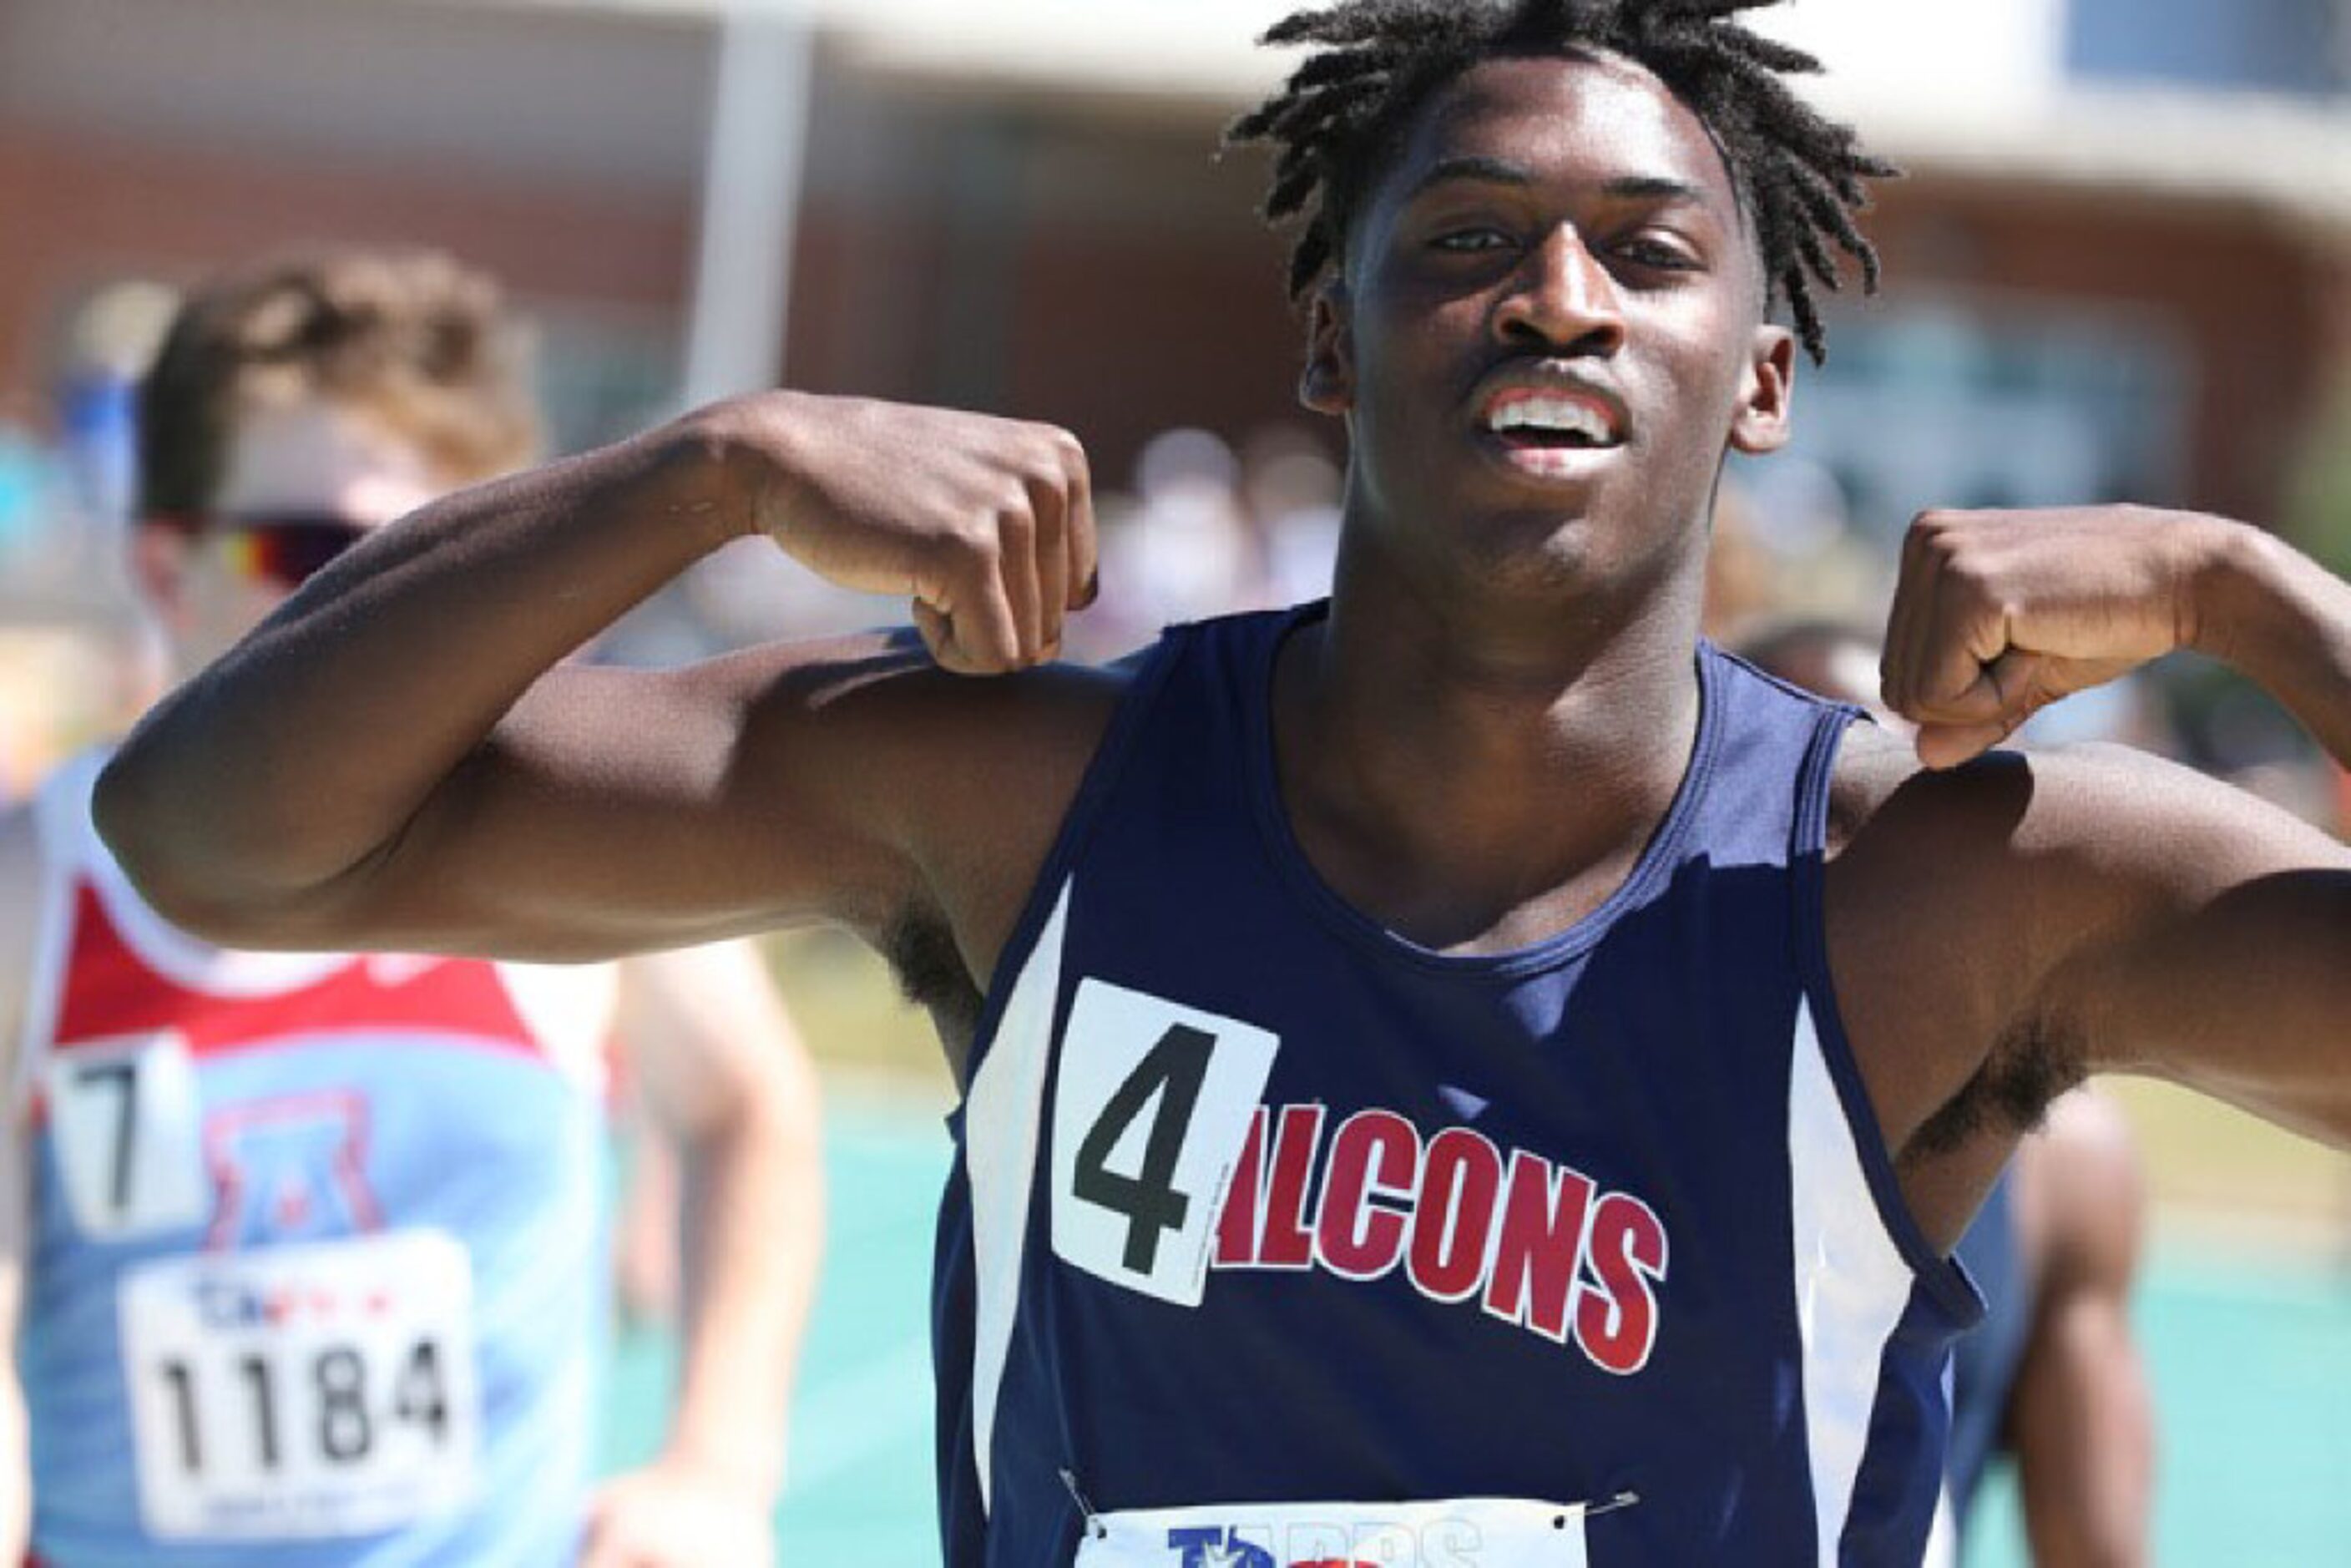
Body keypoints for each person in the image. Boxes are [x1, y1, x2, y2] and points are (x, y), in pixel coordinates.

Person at [88, 2, 2351, 1562]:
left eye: (1647, 253)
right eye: (1465, 237)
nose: (1558, 294)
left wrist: (2258, 595)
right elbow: (217, 834)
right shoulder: (1022, 790)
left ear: (1759, 378)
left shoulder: (1932, 885)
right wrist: (707, 468)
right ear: (1332, 342)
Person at [0, 249, 825, 1566]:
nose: (370, 622)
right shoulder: (43, 883)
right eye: (308, 553)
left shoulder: (574, 849)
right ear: (166, 571)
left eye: (432, 569)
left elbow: (747, 1108)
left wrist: (717, 1469)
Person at [1738, 620, 2155, 1567]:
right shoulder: (1596, 1090)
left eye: (1905, 824)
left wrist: (2224, 591)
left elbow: (2096, 1546)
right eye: (1808, 828)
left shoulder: (2065, 1168)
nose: (1865, 879)